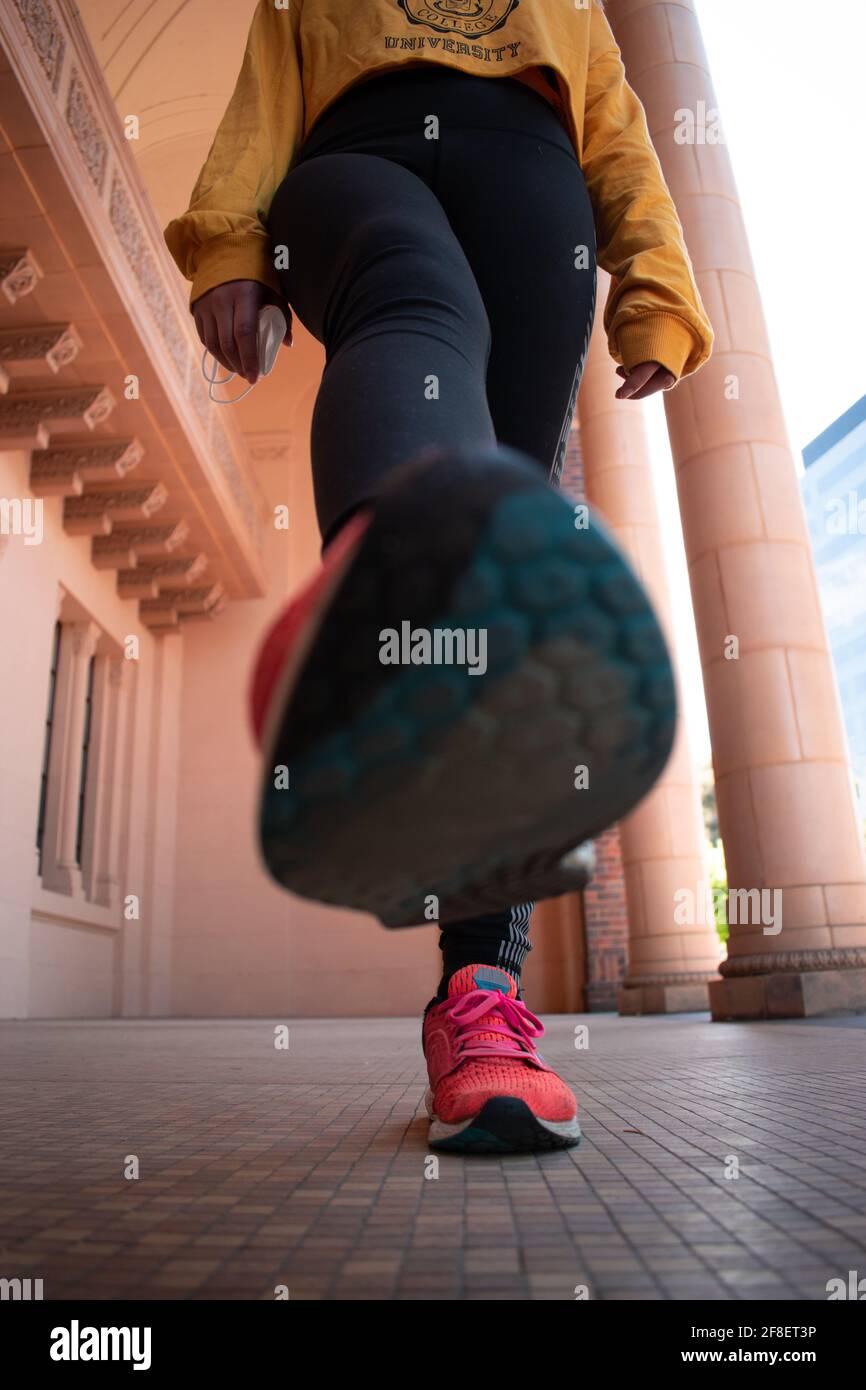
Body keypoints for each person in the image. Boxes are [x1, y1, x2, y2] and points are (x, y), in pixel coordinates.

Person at [164, 0, 713, 1154]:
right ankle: (383, 613)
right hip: (349, 167)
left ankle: (479, 1006)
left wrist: (653, 290)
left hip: (534, 189)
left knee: (497, 549)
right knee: (412, 292)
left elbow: (614, 132)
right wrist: (227, 241)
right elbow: (267, 92)